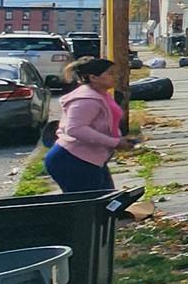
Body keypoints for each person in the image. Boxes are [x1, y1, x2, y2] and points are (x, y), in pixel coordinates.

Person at [45, 56, 133, 193]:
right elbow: (75, 129)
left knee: (105, 202)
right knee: (90, 206)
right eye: (110, 73)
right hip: (72, 160)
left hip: (91, 159)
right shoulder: (86, 99)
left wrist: (120, 140)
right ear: (93, 77)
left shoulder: (101, 94)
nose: (115, 77)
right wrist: (114, 142)